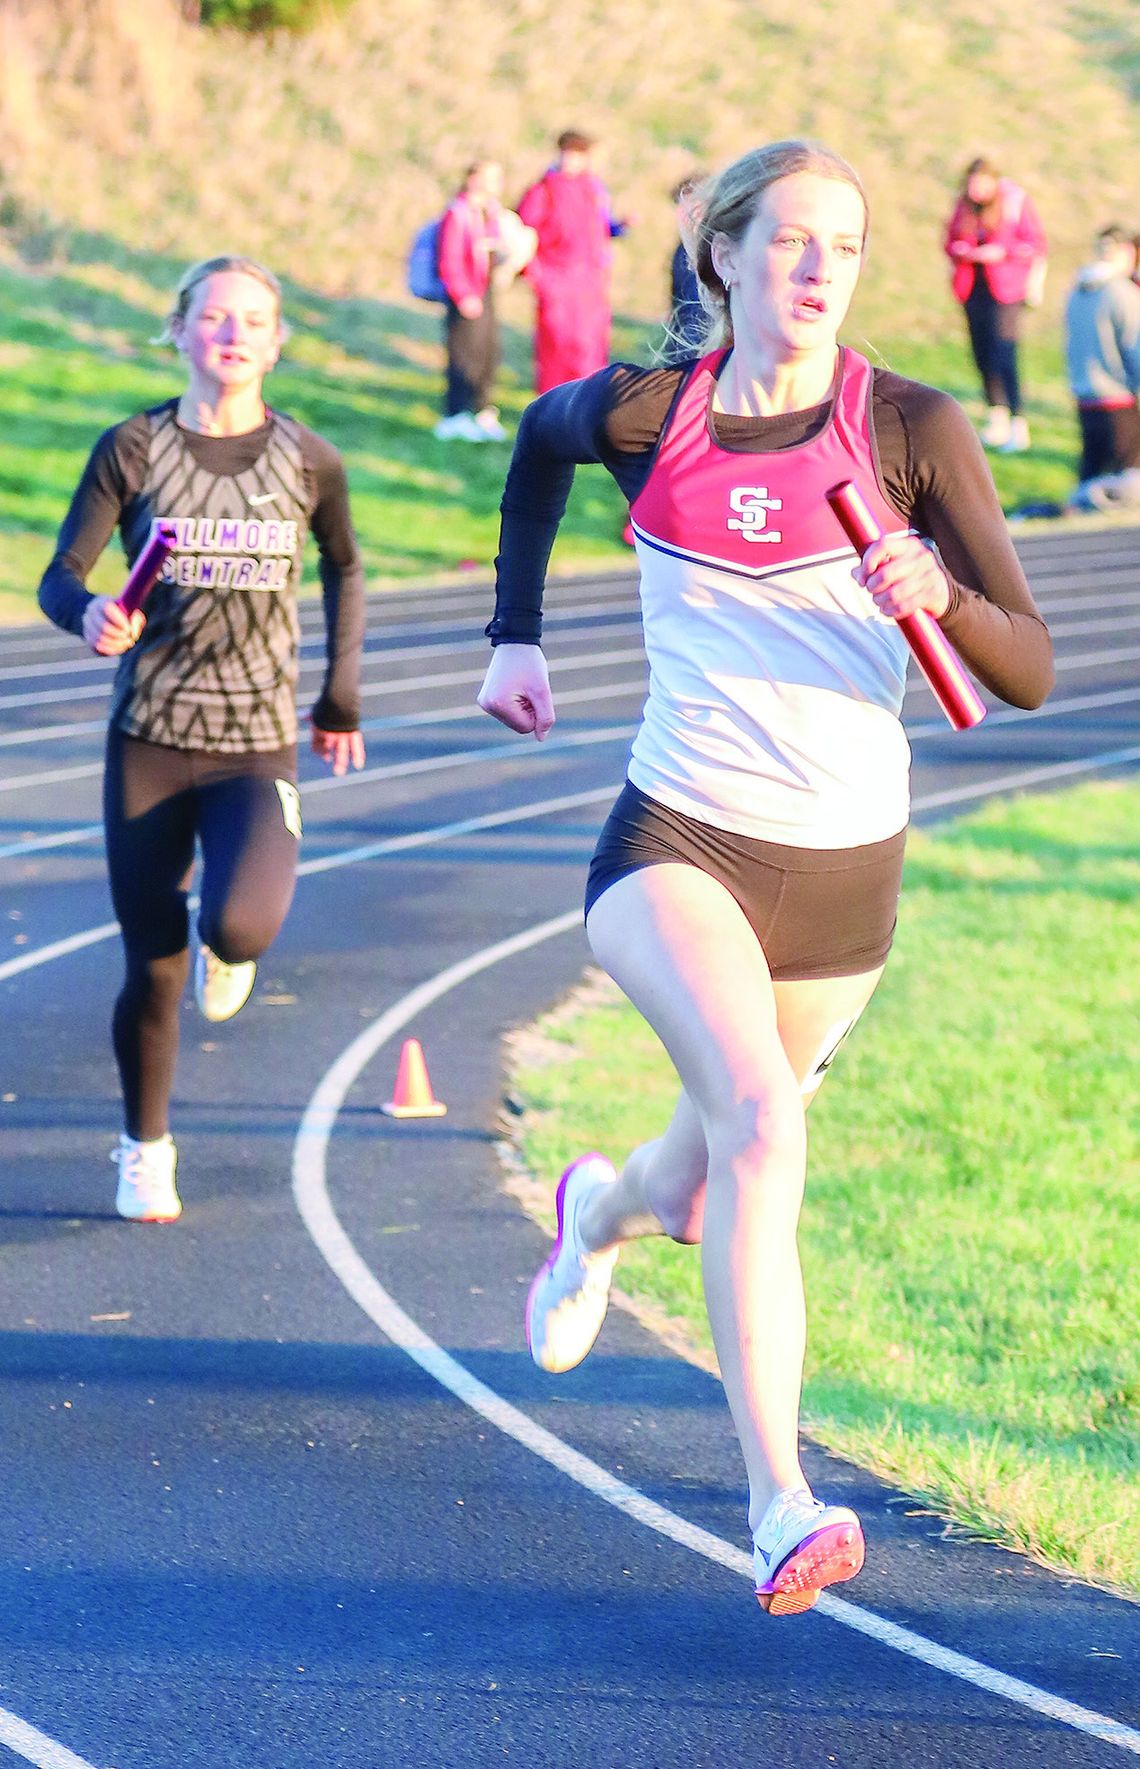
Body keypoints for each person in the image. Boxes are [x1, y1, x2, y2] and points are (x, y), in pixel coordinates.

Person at [477, 140, 1054, 1617]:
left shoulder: (913, 429)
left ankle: (598, 1214)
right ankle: (778, 1498)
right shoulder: (646, 414)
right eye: (789, 241)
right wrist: (516, 634)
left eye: (845, 248)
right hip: (678, 839)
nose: (816, 270)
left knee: (710, 1163)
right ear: (722, 256)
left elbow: (1031, 669)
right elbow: (535, 454)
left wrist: (945, 592)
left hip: (844, 880)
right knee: (758, 1128)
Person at [38, 255, 366, 1224]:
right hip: (150, 733)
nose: (232, 334)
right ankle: (145, 1147)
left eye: (252, 320)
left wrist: (340, 696)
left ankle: (231, 943)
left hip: (256, 737)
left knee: (237, 922)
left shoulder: (309, 459)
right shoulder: (133, 449)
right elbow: (61, 573)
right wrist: (89, 612)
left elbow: (346, 565)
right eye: (214, 317)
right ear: (179, 331)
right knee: (151, 958)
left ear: (275, 341)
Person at [943, 157, 1047, 452]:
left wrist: (1001, 252)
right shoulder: (963, 205)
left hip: (1006, 291)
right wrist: (961, 250)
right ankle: (996, 415)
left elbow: (1035, 243)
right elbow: (949, 239)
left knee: (1004, 351)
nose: (976, 189)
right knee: (981, 351)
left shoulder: (1014, 202)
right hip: (972, 288)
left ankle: (1018, 421)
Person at [516, 130, 630, 394]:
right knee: (556, 345)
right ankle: (552, 407)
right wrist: (535, 274)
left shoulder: (594, 189)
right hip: (556, 279)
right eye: (569, 154)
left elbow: (602, 227)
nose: (573, 162)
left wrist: (619, 227)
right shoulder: (542, 191)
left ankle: (587, 406)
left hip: (590, 281)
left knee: (590, 345)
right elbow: (523, 233)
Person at [1064, 224, 1140, 510]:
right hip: (1118, 399)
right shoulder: (1122, 293)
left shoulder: (1077, 291)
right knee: (1127, 485)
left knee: (1091, 478)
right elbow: (1135, 345)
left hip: (1085, 395)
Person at [435, 160, 509, 443]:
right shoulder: (458, 214)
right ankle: (456, 414)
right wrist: (463, 294)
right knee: (465, 354)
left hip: (486, 290)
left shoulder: (490, 213)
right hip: (465, 295)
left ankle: (481, 410)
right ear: (474, 179)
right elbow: (449, 260)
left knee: (487, 352)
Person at [664, 174, 708, 361]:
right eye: (680, 205)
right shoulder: (683, 248)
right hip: (681, 341)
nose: (682, 212)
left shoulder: (715, 251)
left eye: (691, 204)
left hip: (700, 346)